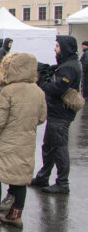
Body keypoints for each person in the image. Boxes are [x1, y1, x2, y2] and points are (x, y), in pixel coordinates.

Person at [0, 53, 47, 228]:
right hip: (26, 141)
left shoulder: (9, 91)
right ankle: (15, 215)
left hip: (6, 140)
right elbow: (42, 118)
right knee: (20, 178)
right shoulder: (38, 91)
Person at [31, 36, 81, 194]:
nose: (55, 49)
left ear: (65, 48)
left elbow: (57, 88)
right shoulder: (67, 64)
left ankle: (62, 182)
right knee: (49, 145)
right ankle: (43, 176)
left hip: (60, 114)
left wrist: (44, 82)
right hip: (57, 112)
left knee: (58, 147)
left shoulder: (69, 67)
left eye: (58, 46)